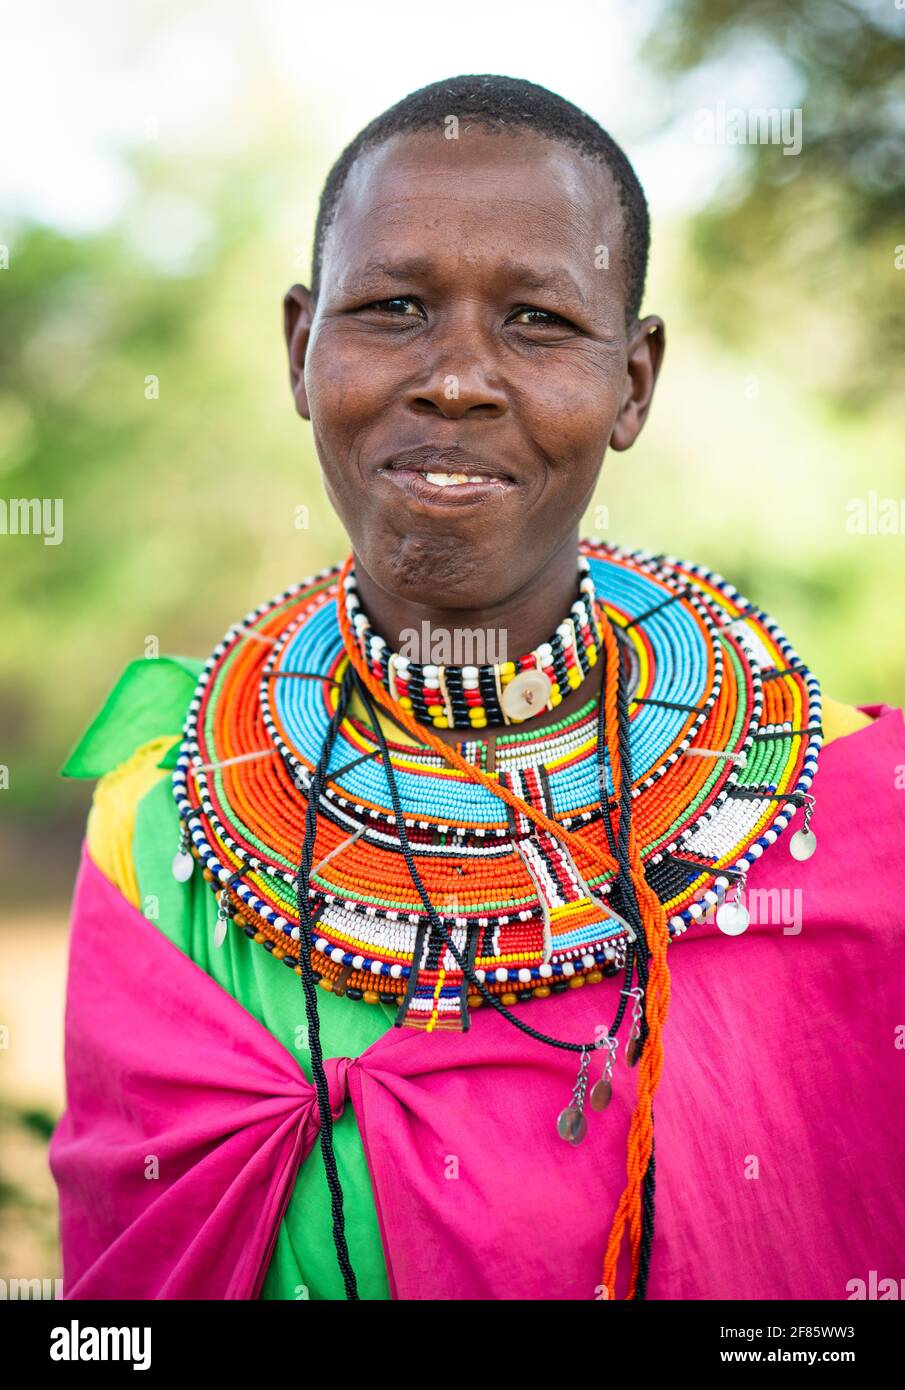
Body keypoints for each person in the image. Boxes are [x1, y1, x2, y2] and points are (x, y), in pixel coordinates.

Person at [50, 74, 905, 1302]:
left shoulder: (836, 812)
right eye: (392, 306)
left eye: (539, 323)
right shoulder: (162, 815)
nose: (456, 379)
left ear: (634, 381)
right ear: (302, 348)